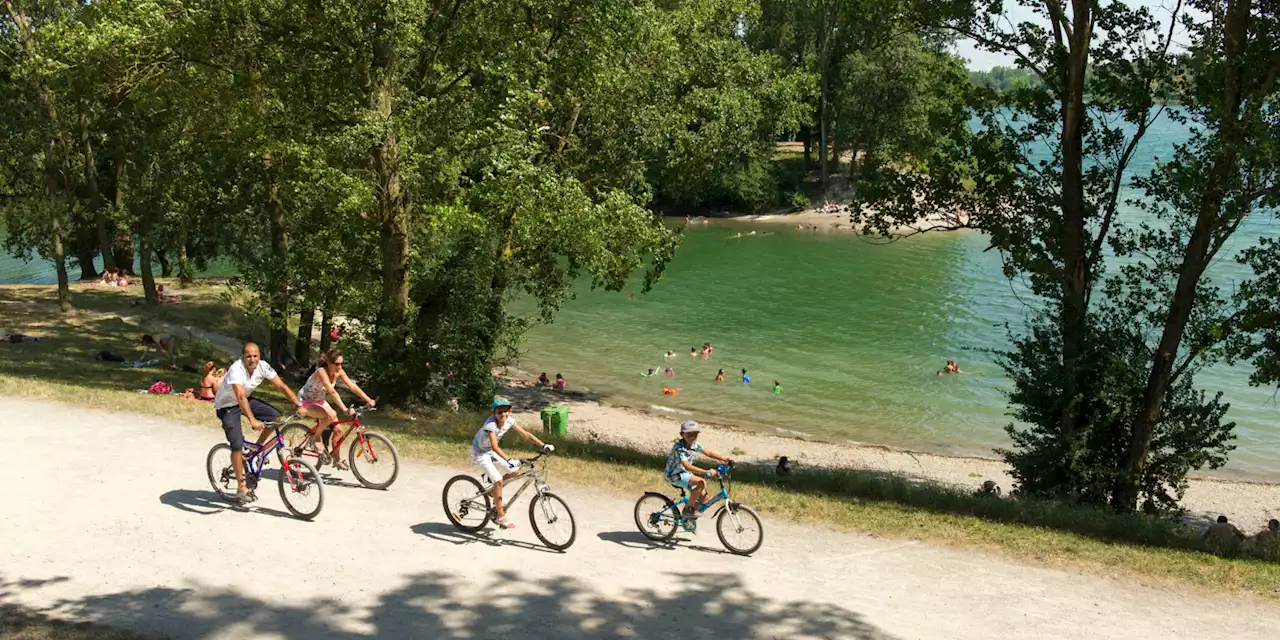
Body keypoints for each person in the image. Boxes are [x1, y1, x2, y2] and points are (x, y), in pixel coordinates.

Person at [214, 342, 302, 502]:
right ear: (243, 357)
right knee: (237, 444)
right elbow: (239, 396)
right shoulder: (236, 369)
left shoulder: (263, 366)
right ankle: (241, 487)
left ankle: (257, 450)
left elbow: (281, 386)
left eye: (255, 356)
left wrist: (297, 404)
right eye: (248, 356)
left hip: (245, 400)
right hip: (227, 405)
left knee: (275, 417)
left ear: (259, 356)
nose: (252, 359)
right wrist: (253, 420)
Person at [471, 398, 553, 529]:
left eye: (506, 412)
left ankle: (493, 491)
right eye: (499, 412)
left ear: (510, 412)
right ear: (493, 413)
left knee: (515, 471)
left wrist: (543, 445)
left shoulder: (509, 421)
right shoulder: (490, 425)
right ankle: (501, 515)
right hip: (480, 453)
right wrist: (508, 459)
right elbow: (494, 446)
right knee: (498, 480)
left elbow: (525, 434)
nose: (503, 415)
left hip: (491, 452)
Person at [297, 348, 376, 469]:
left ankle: (337, 459)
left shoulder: (339, 371)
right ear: (329, 363)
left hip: (319, 401)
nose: (339, 366)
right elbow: (332, 392)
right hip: (306, 401)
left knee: (338, 430)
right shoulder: (321, 371)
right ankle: (317, 438)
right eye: (337, 364)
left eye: (341, 363)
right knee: (330, 415)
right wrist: (345, 409)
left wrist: (368, 399)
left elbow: (352, 386)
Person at [663, 420, 733, 520]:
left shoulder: (694, 445)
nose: (693, 437)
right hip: (675, 475)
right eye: (690, 434)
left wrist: (724, 459)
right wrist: (706, 471)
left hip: (685, 474)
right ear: (682, 434)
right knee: (701, 482)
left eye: (695, 434)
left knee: (704, 497)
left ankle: (687, 520)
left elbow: (708, 452)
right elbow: (687, 466)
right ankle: (688, 510)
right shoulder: (679, 448)